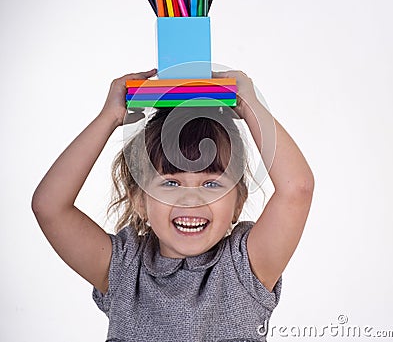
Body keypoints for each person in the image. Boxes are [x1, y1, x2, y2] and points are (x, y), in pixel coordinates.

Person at [32, 68, 314, 341]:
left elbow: (296, 189)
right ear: (139, 201)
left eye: (211, 183)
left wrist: (248, 104)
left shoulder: (246, 267)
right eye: (171, 183)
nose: (191, 200)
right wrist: (108, 117)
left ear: (238, 203)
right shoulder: (123, 268)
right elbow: (49, 206)